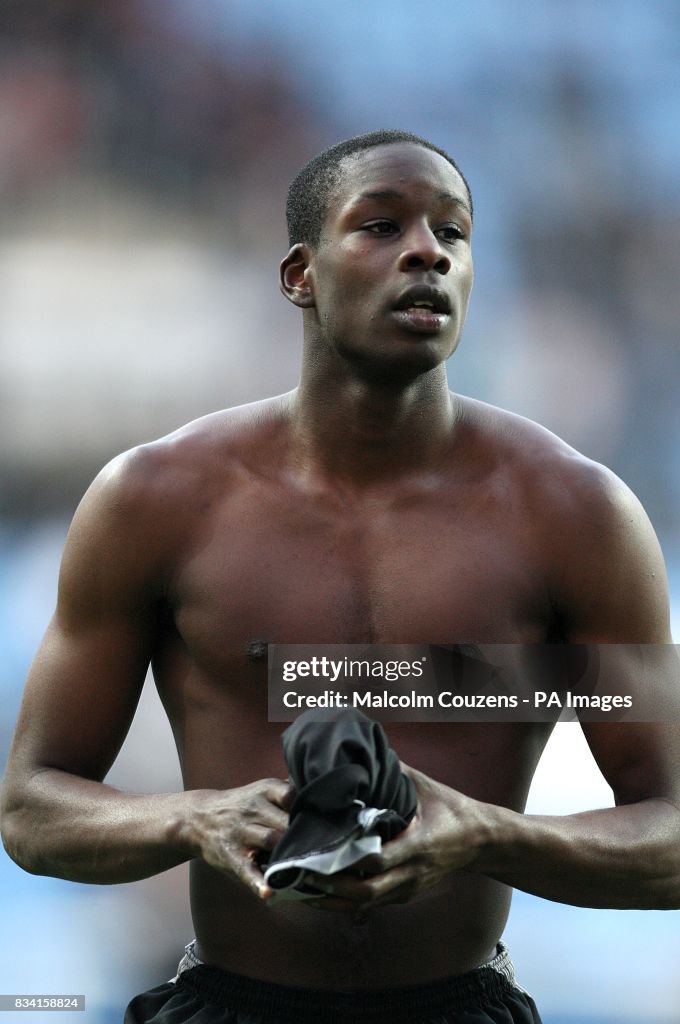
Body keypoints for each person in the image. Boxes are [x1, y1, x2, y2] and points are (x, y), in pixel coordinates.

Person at [2, 129, 679, 1024]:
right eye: (381, 226)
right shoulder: (156, 500)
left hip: (462, 1007)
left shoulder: (576, 516)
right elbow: (31, 807)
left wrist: (485, 838)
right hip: (228, 1005)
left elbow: (670, 833)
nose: (428, 252)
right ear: (299, 275)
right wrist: (194, 821)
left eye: (453, 233)